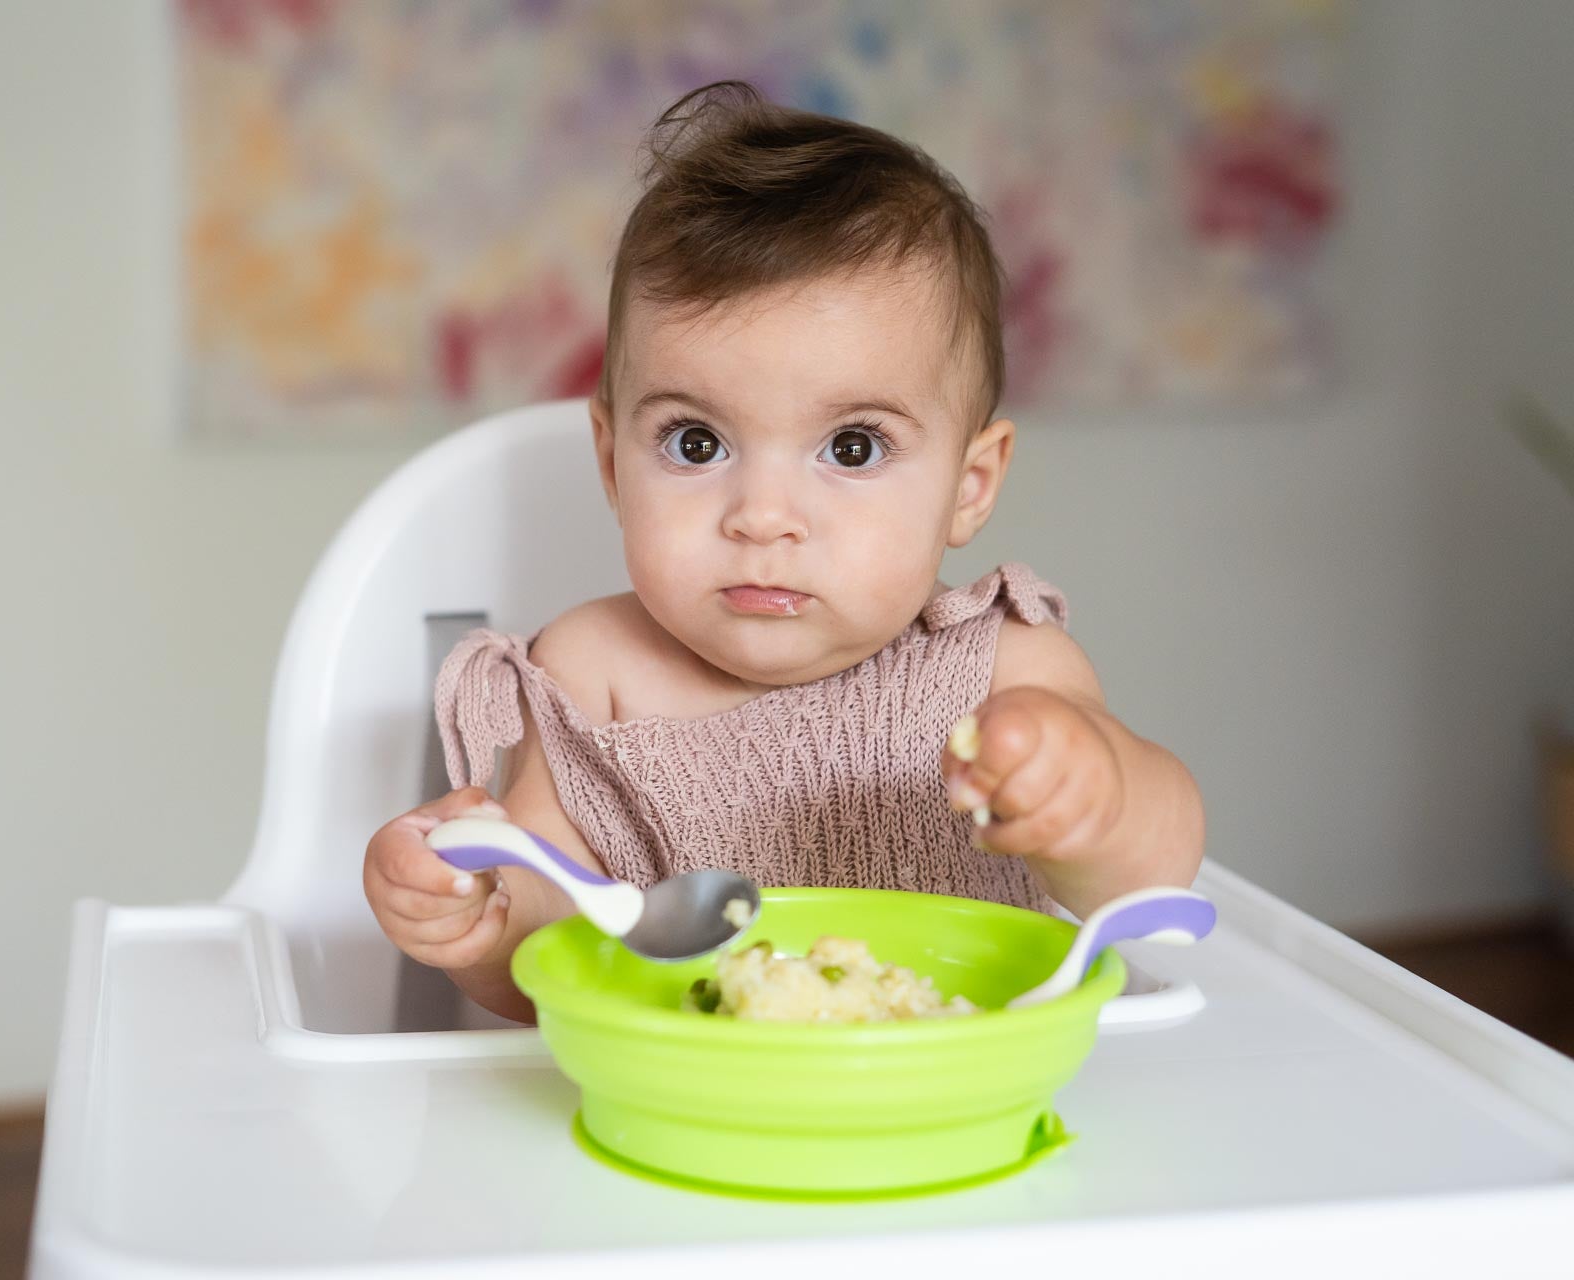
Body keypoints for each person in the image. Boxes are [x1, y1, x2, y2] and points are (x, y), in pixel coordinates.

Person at [364, 81, 1205, 1023]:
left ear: (969, 486)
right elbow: (554, 948)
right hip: (682, 1120)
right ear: (612, 461)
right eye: (695, 443)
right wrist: (481, 903)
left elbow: (1155, 872)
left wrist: (1091, 799)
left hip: (962, 1115)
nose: (762, 518)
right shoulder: (591, 679)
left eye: (851, 447)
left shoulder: (1007, 672)